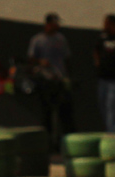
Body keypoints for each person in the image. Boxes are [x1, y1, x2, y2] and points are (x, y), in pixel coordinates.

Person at [28, 13, 75, 143]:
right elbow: (31, 59)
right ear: (48, 24)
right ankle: (48, 141)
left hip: (59, 80)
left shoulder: (61, 39)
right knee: (46, 112)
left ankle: (64, 140)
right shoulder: (37, 40)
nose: (57, 26)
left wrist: (67, 77)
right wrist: (40, 62)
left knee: (64, 111)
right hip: (45, 80)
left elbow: (67, 59)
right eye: (55, 23)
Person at [94, 14, 115, 133]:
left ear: (112, 24)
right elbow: (96, 49)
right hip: (103, 77)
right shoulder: (103, 37)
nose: (104, 25)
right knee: (102, 103)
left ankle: (114, 130)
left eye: (106, 23)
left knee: (111, 103)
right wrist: (97, 62)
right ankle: (108, 127)